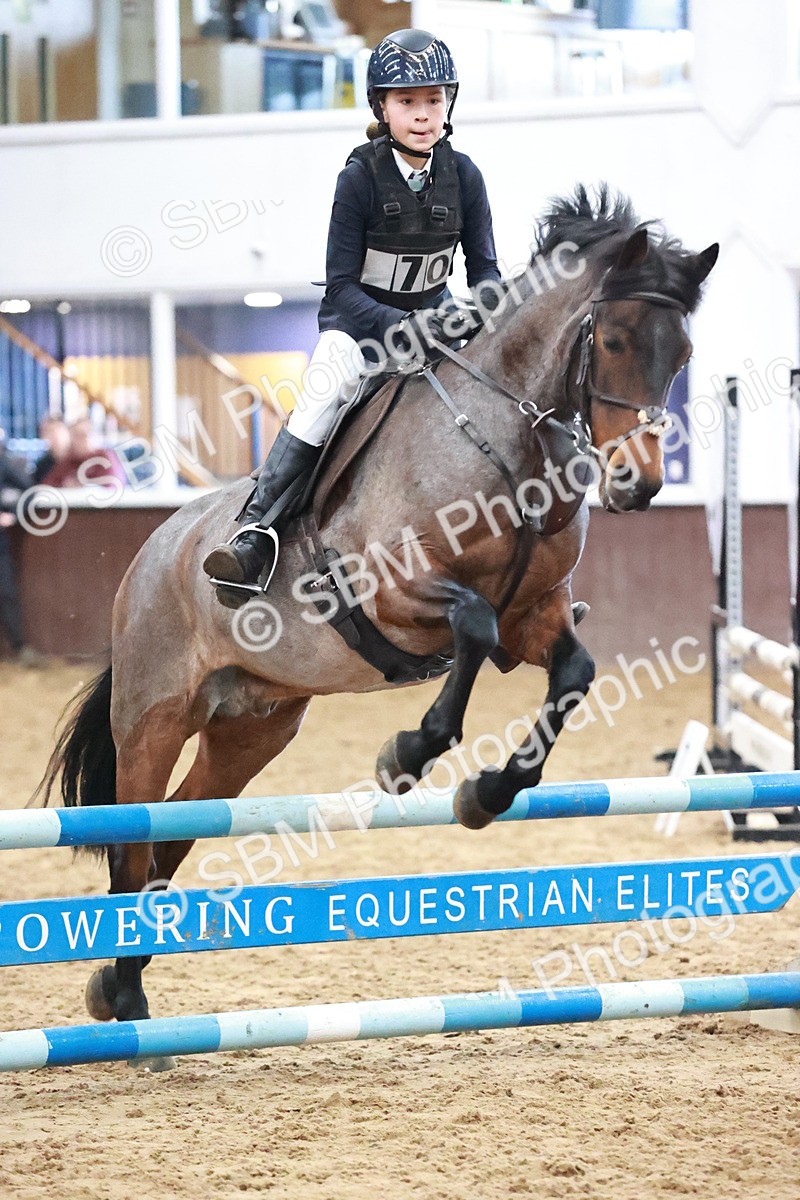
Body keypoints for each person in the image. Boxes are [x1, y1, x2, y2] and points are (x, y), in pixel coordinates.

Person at [203, 27, 502, 603]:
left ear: (449, 105)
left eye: (434, 100)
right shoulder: (360, 177)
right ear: (381, 107)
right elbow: (341, 287)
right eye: (407, 101)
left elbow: (484, 268)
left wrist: (484, 312)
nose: (422, 114)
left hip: (436, 324)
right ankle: (255, 531)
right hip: (359, 329)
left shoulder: (465, 176)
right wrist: (402, 327)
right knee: (324, 395)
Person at [0, 428, 44, 666]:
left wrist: (13, 515)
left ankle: (20, 647)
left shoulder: (4, 464)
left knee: (6, 593)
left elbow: (30, 490)